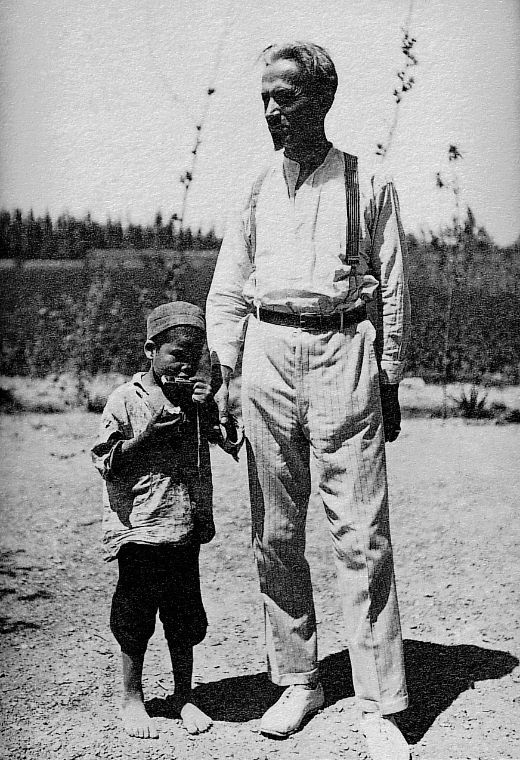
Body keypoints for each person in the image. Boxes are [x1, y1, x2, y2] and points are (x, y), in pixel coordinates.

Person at [206, 42, 411, 760]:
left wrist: (387, 376)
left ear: (321, 99)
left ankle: (379, 703)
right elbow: (230, 282)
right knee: (275, 530)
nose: (271, 110)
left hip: (342, 352)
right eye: (264, 97)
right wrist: (223, 371)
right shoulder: (257, 180)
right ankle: (297, 679)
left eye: (285, 97)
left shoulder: (368, 182)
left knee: (362, 533)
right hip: (266, 355)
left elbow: (390, 285)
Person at [92, 301, 238, 739]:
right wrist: (146, 438)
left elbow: (231, 442)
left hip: (184, 527)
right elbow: (104, 459)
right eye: (176, 354)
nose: (185, 364)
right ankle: (132, 698)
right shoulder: (126, 398)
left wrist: (210, 407)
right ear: (150, 352)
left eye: (194, 356)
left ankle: (184, 696)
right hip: (139, 528)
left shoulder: (197, 401)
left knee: (184, 616)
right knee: (135, 615)